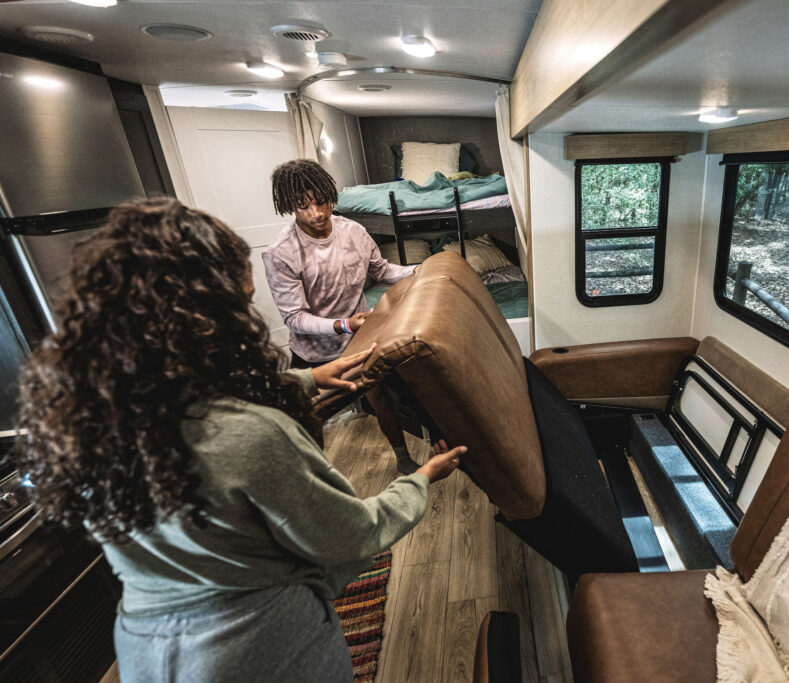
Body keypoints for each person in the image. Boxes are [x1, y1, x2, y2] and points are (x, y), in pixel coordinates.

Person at [14, 198, 466, 682]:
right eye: (239, 305)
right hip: (260, 650)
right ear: (200, 321)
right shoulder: (249, 436)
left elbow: (185, 407)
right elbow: (351, 536)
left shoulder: (89, 421)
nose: (249, 317)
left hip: (146, 650)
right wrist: (419, 480)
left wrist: (308, 380)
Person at [263, 159, 420, 474]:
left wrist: (420, 271)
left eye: (321, 202)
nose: (317, 213)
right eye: (303, 206)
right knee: (309, 422)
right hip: (314, 355)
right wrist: (343, 324)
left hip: (360, 342)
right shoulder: (281, 252)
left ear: (330, 196)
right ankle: (320, 481)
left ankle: (403, 460)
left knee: (384, 400)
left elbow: (382, 270)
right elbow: (295, 318)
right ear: (289, 207)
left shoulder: (354, 231)